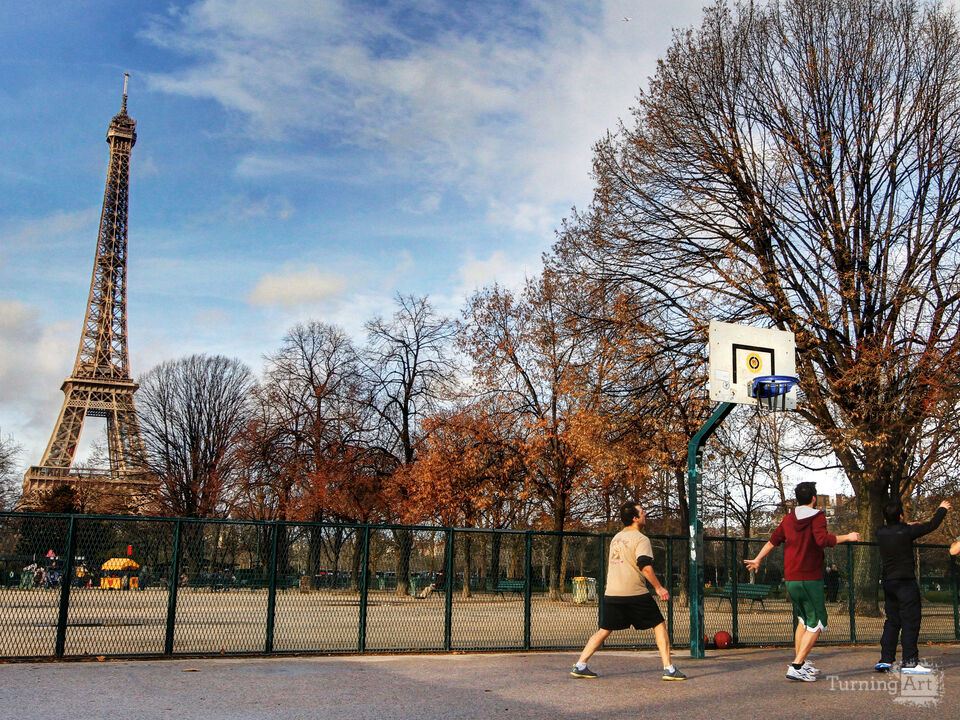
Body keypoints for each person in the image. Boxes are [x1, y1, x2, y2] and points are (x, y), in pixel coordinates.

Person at [744, 482, 859, 682]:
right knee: (819, 621)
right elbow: (822, 540)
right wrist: (848, 536)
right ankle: (797, 665)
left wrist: (758, 558)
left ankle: (801, 663)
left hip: (791, 579)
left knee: (804, 620)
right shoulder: (818, 516)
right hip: (809, 577)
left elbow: (772, 540)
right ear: (814, 498)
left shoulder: (789, 519)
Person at [570, 501, 686, 681]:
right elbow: (645, 567)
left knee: (604, 629)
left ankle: (580, 665)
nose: (645, 513)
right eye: (642, 511)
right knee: (659, 624)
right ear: (634, 518)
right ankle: (668, 668)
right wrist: (659, 587)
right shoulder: (641, 539)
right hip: (635, 593)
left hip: (612, 593)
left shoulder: (616, 538)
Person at [874, 499, 951, 675]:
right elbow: (932, 525)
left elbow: (894, 529)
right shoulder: (908, 531)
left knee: (892, 621)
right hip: (905, 582)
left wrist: (904, 524)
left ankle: (886, 660)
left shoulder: (880, 532)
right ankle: (910, 662)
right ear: (901, 516)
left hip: (888, 583)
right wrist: (942, 509)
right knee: (910, 622)